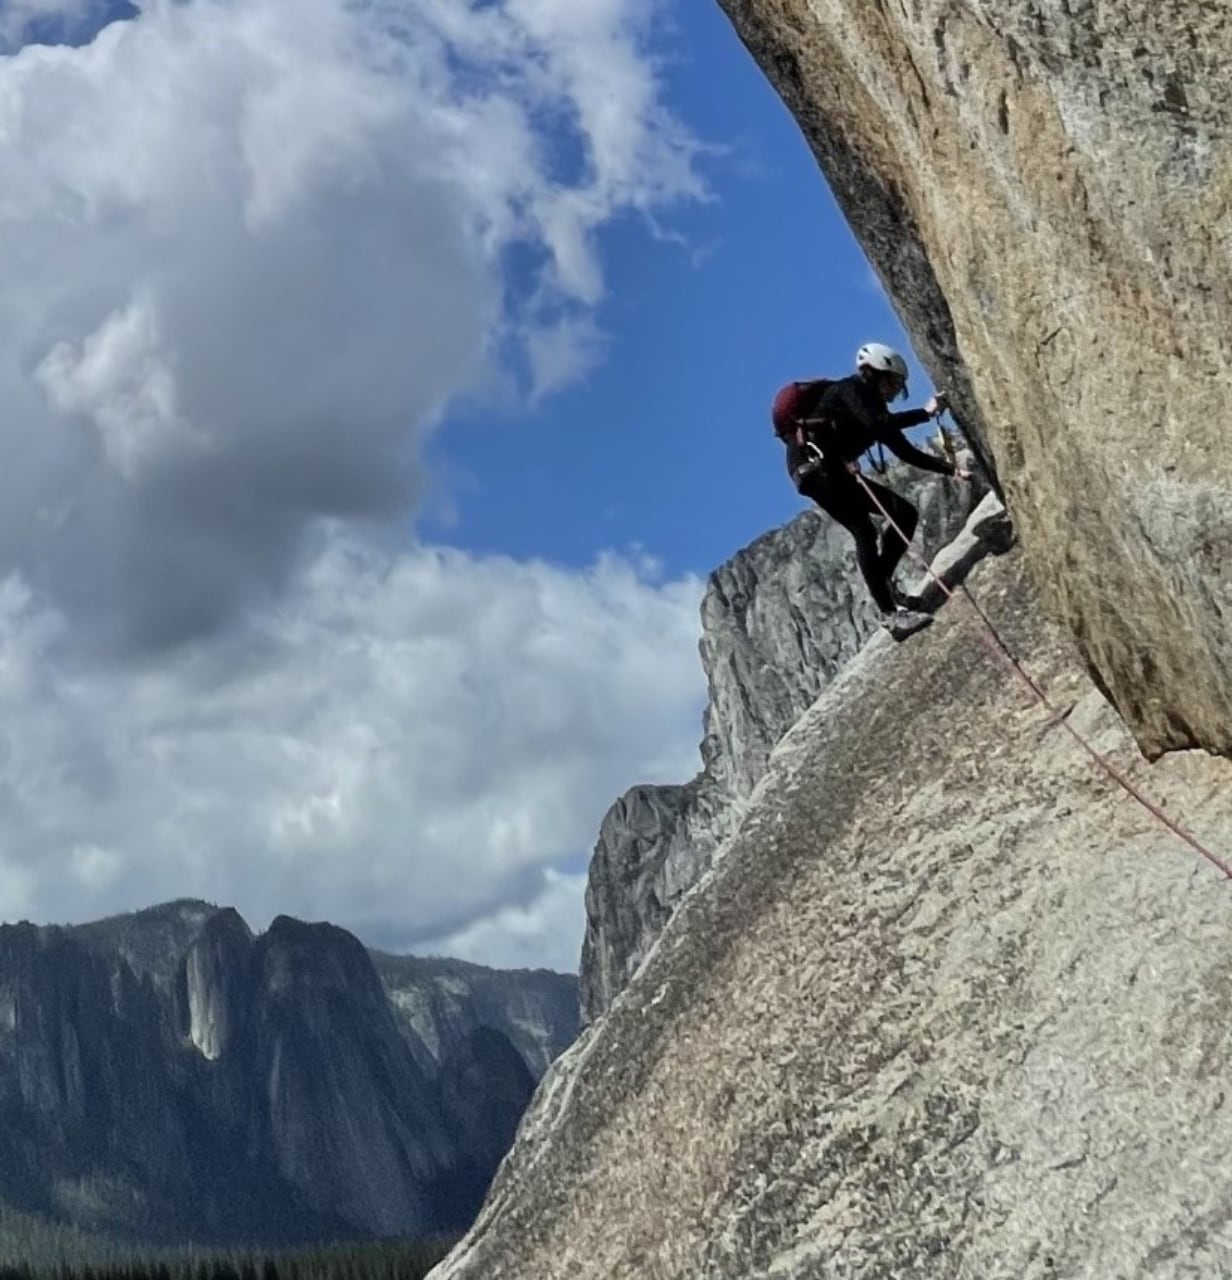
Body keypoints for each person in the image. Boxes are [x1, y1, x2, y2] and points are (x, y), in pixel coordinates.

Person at [772, 342, 972, 639]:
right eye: (895, 384)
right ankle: (891, 614)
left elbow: (905, 451)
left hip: (823, 471)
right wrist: (924, 414)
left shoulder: (872, 408)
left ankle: (886, 586)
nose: (896, 392)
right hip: (817, 470)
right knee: (863, 530)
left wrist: (951, 470)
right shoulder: (849, 390)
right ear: (877, 374)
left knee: (902, 513)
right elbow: (879, 425)